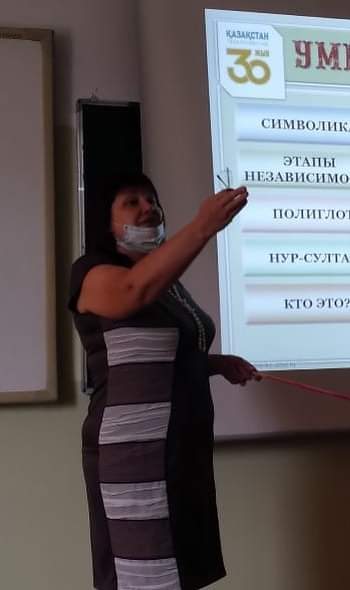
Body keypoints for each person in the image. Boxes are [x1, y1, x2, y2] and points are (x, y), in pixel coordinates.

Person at [68, 172, 257, 590]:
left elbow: (156, 353)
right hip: (135, 457)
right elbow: (131, 292)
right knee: (146, 577)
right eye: (131, 202)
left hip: (181, 452)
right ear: (106, 222)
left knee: (182, 573)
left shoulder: (170, 286)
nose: (147, 207)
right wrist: (203, 226)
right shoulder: (93, 273)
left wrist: (216, 364)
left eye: (151, 199)